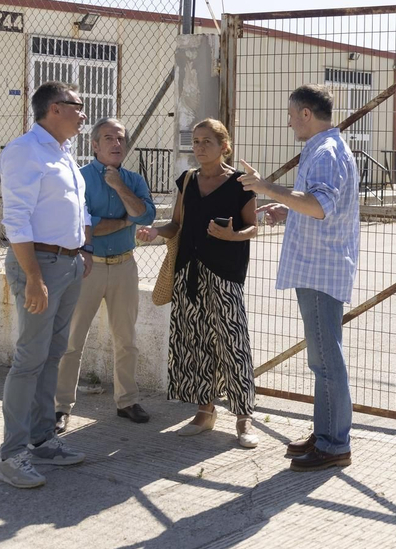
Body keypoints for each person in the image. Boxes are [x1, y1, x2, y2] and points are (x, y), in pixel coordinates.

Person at [239, 84, 359, 472]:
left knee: (326, 360)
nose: (288, 120)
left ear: (306, 113)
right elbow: (318, 206)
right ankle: (326, 433)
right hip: (318, 266)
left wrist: (265, 188)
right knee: (322, 359)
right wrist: (286, 210)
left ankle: (334, 444)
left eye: (291, 113)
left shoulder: (325, 152)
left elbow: (320, 206)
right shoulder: (326, 149)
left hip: (321, 269)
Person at [138, 118, 261, 447]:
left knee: (233, 342)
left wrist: (232, 235)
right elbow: (176, 224)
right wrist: (154, 231)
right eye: (195, 141)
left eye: (207, 141)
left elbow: (253, 227)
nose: (200, 147)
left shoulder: (240, 183)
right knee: (194, 342)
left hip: (225, 272)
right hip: (187, 272)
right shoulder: (188, 180)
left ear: (224, 146)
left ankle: (244, 418)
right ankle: (204, 412)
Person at [0, 81, 93, 489]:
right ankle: (12, 455)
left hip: (68, 265)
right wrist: (34, 277)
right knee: (29, 359)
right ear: (54, 108)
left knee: (53, 354)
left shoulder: (63, 152)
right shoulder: (24, 151)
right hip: (40, 265)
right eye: (78, 106)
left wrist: (83, 249)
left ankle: (41, 438)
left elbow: (77, 206)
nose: (83, 114)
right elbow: (16, 219)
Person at [54, 117, 156, 433]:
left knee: (126, 338)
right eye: (108, 138)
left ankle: (127, 401)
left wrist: (119, 188)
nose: (116, 144)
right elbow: (85, 224)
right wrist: (127, 221)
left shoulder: (133, 180)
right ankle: (60, 407)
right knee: (72, 340)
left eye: (121, 139)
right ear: (95, 145)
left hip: (125, 266)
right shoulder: (79, 178)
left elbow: (148, 215)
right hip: (87, 265)